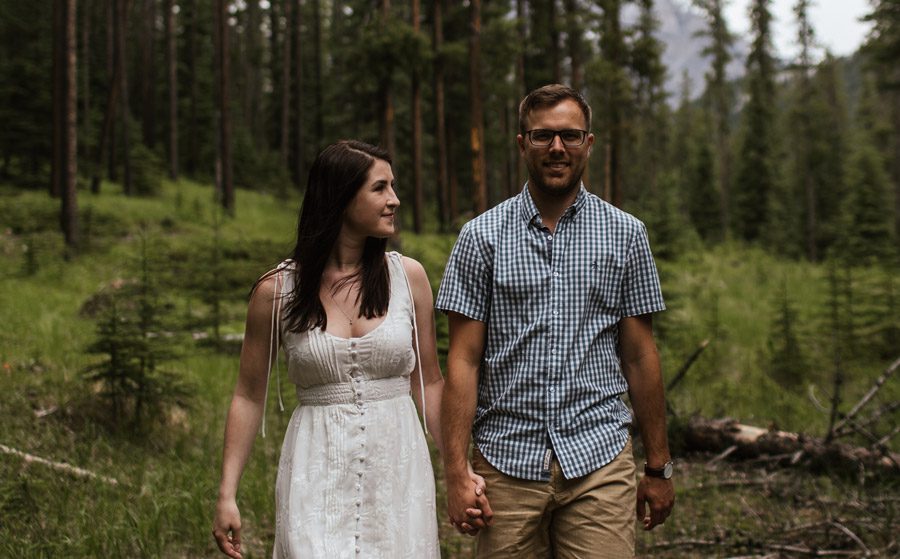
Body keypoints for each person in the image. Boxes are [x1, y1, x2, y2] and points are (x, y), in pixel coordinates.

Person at [212, 140, 485, 558]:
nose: (394, 200)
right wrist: (227, 493)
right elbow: (248, 395)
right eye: (380, 188)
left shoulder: (407, 278)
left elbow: (429, 382)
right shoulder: (277, 291)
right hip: (314, 467)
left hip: (397, 468)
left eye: (393, 186)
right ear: (340, 197)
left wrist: (458, 467)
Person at [436, 84, 675, 558]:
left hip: (598, 457)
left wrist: (658, 467)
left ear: (589, 142)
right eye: (543, 136)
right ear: (523, 143)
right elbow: (463, 360)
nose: (557, 148)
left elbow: (639, 355)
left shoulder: (625, 235)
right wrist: (457, 473)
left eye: (570, 135)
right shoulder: (480, 237)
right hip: (505, 462)